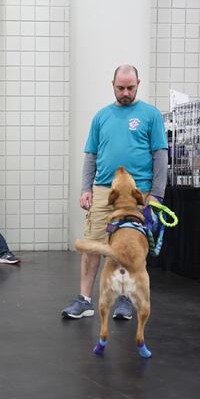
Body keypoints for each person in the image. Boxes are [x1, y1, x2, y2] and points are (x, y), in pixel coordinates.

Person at [61, 64, 168, 319]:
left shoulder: (150, 115)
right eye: (120, 88)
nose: (125, 93)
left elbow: (160, 155)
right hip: (102, 190)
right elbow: (91, 155)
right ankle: (85, 300)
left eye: (130, 87)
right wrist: (85, 187)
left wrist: (157, 194)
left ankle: (124, 300)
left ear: (138, 84)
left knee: (128, 246)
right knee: (93, 244)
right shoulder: (101, 116)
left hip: (136, 193)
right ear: (113, 85)